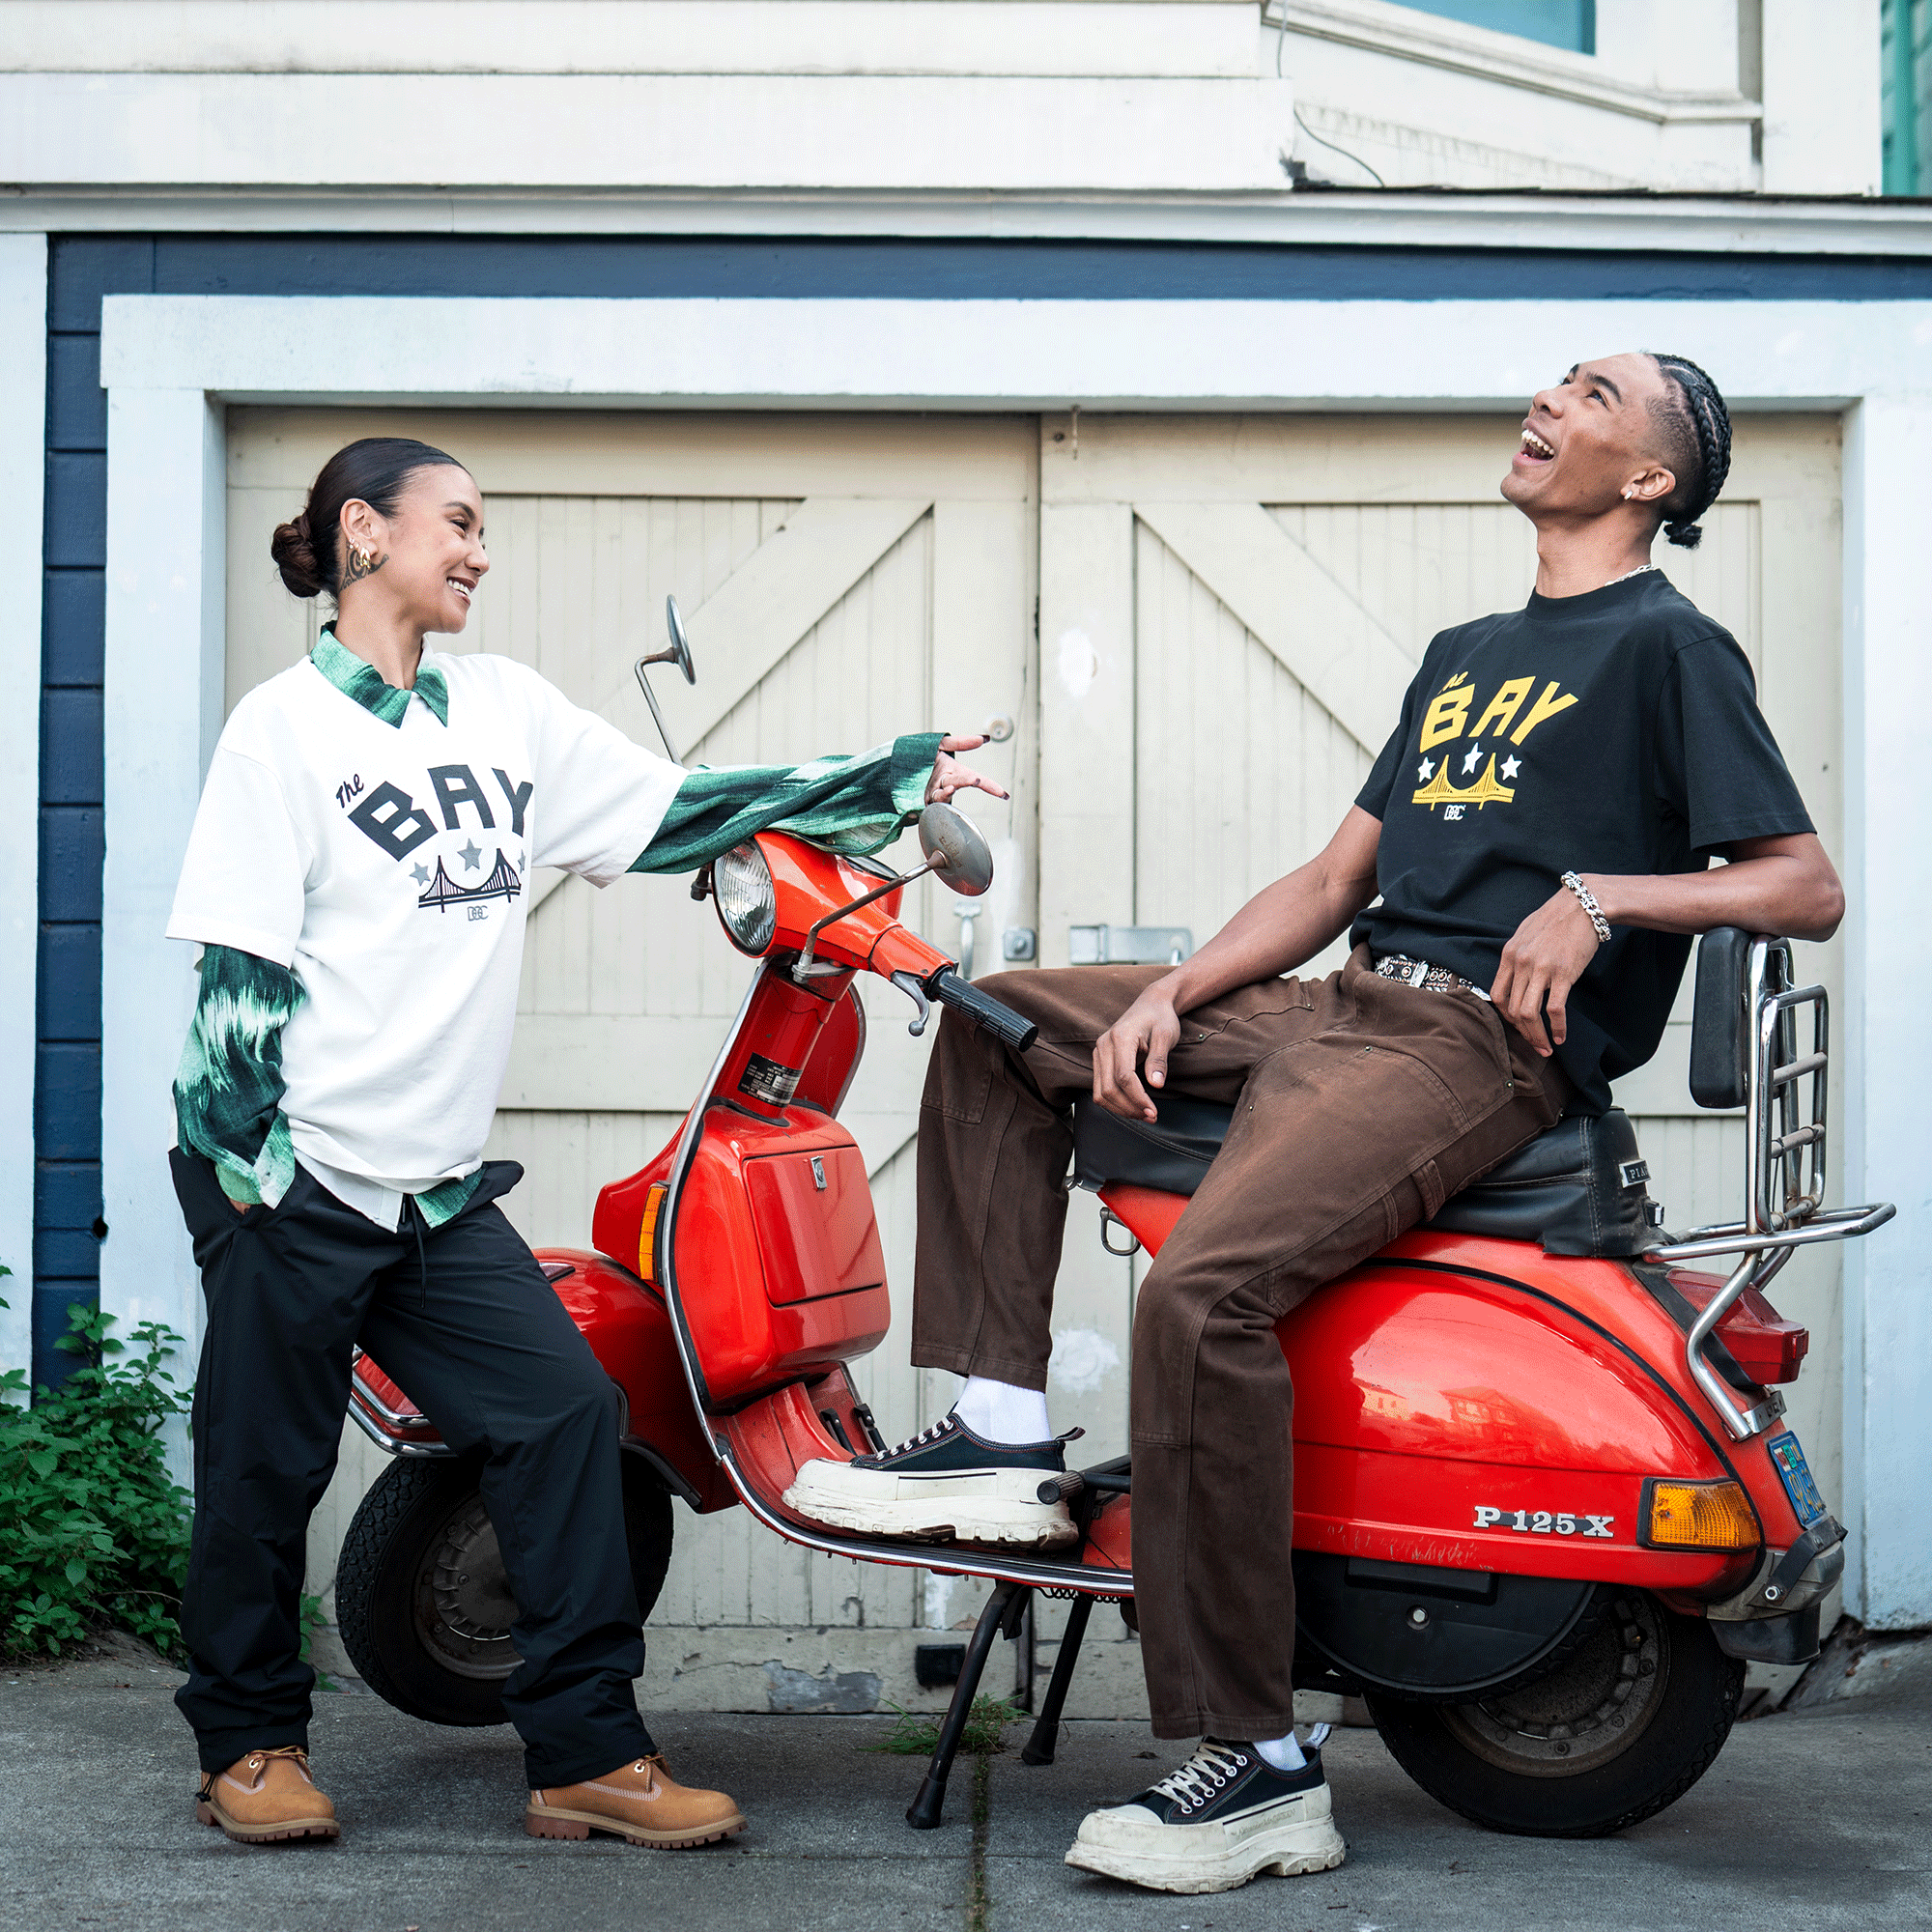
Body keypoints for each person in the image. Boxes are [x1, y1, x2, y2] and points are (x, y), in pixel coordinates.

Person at [783, 354, 1844, 1893]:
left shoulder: (1670, 649)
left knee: (1209, 1294)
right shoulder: (1466, 652)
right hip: (1340, 1000)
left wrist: (1603, 898)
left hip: (1478, 1046)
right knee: (1004, 1017)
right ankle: (1003, 1429)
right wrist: (1173, 993)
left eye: (1596, 393)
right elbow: (1335, 880)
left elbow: (1802, 883)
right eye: (1556, 380)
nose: (1549, 399)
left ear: (1650, 479)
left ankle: (1258, 1766)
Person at [166, 437, 1004, 1849]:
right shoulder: (282, 732)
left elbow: (682, 815)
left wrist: (889, 771)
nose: (481, 550)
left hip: (431, 1197)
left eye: (484, 528)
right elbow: (235, 989)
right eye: (460, 524)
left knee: (564, 1418)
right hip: (296, 1171)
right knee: (265, 1465)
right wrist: (256, 1185)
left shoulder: (503, 711)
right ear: (365, 535)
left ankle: (582, 1758)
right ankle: (247, 1747)